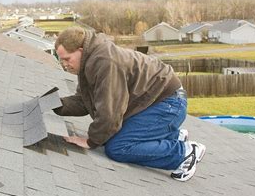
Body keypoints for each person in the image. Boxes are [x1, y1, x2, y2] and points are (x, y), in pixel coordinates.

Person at [53, 27, 206, 182]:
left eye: (67, 59)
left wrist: (90, 141)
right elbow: (83, 101)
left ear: (80, 50)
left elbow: (110, 113)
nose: (64, 64)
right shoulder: (89, 62)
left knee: (118, 148)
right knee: (111, 138)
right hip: (151, 102)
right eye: (61, 60)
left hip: (167, 104)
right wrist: (55, 105)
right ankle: (172, 136)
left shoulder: (105, 62)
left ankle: (184, 152)